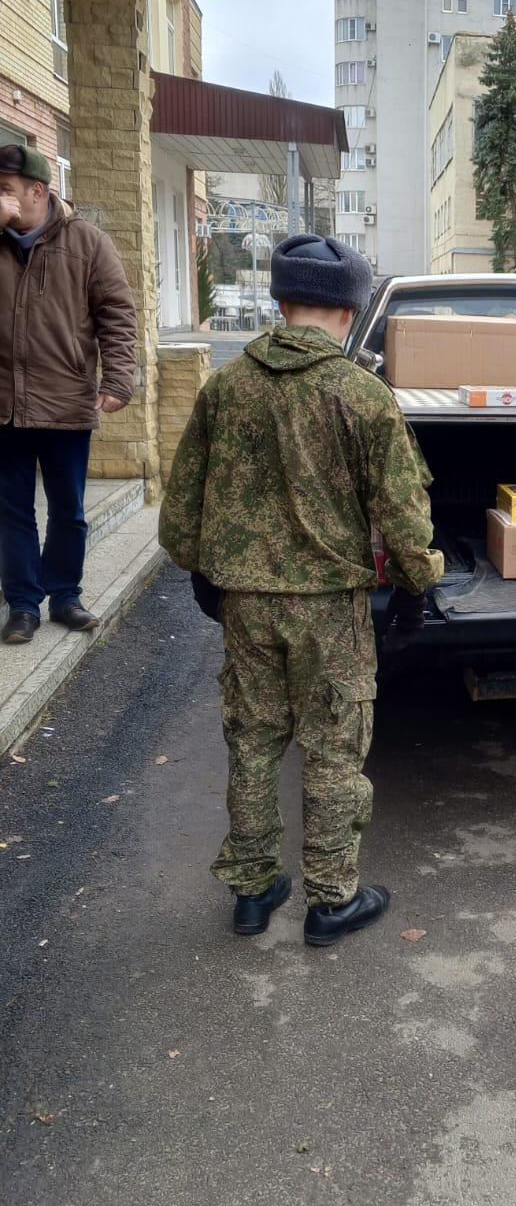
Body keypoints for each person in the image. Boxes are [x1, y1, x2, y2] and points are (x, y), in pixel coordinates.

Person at [159, 235, 444, 948]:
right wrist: (415, 588)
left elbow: (182, 502)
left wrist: (201, 570)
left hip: (245, 604)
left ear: (281, 303)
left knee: (253, 743)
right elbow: (404, 517)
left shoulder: (226, 386)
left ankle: (252, 893)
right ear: (350, 311)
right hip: (329, 610)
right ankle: (330, 900)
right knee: (333, 750)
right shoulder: (361, 395)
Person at [0, 145, 136, 644]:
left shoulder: (87, 243)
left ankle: (64, 596)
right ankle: (22, 606)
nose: (1, 198)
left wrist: (119, 380)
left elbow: (118, 316)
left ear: (39, 191)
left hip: (65, 401)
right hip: (4, 407)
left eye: (6, 189)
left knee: (68, 509)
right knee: (11, 511)